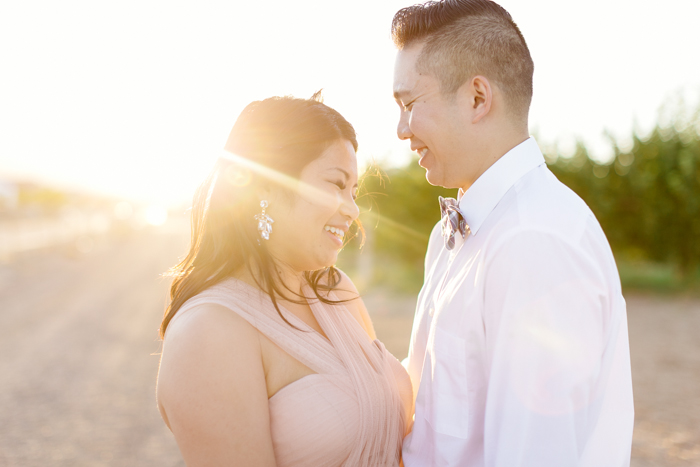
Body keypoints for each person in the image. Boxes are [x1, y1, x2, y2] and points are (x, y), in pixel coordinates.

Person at [391, 1, 634, 465]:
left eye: (408, 104)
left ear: (477, 98)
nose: (401, 130)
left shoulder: (534, 241)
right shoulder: (465, 230)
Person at [156, 93, 413, 466]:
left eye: (353, 191)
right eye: (335, 184)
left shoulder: (336, 290)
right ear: (264, 188)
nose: (352, 209)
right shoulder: (209, 331)